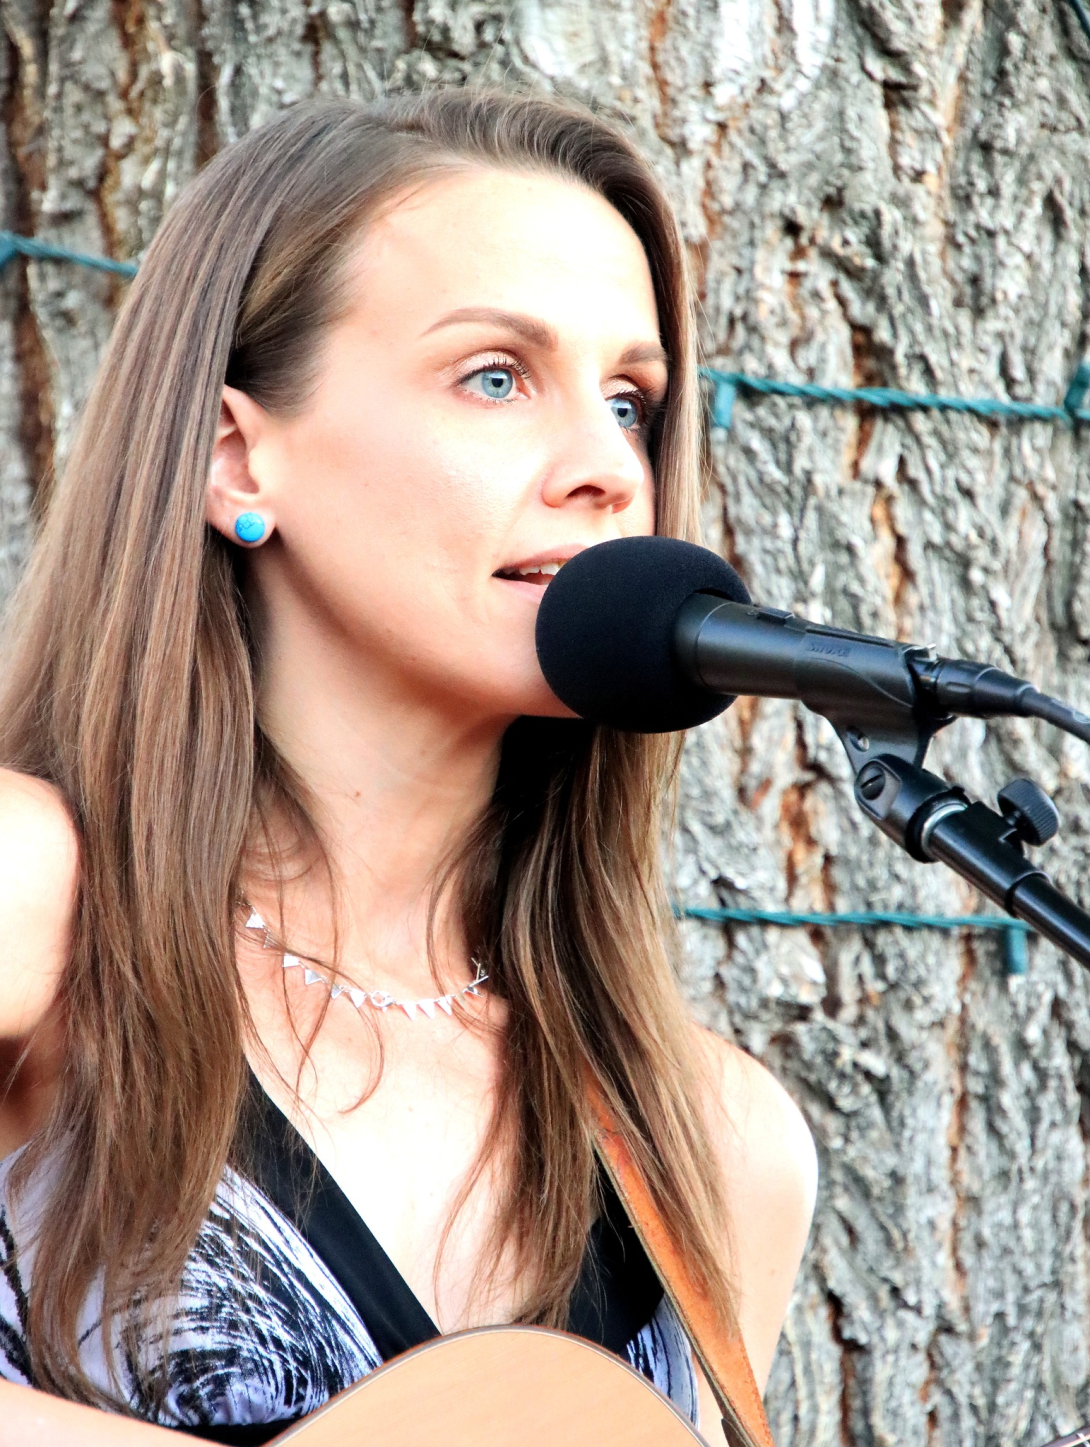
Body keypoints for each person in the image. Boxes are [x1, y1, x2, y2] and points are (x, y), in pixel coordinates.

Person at [0, 89, 816, 1444]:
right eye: (495, 377)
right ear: (235, 457)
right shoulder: (35, 896)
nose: (608, 471)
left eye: (630, 401)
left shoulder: (717, 1145)